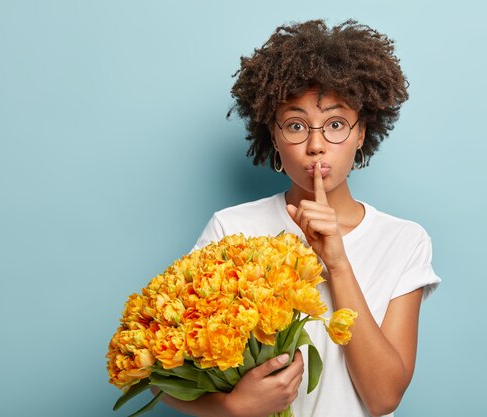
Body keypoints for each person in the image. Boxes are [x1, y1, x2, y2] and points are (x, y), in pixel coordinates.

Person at [158, 19, 441, 417]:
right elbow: (163, 374)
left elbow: (384, 398)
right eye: (295, 125)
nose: (315, 145)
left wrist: (337, 263)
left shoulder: (404, 240)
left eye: (336, 125)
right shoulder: (231, 229)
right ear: (271, 136)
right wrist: (233, 408)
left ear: (363, 133)